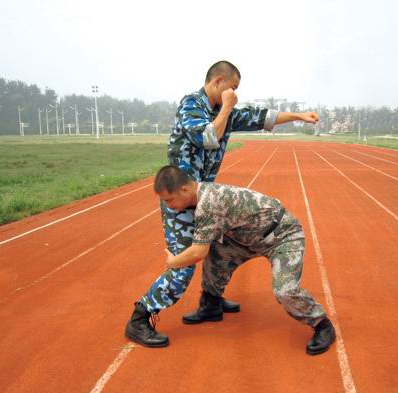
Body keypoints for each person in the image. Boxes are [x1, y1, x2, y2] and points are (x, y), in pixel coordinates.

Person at [125, 61, 320, 348]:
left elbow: (260, 116)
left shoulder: (221, 112)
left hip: (202, 198)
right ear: (218, 82)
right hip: (180, 202)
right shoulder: (191, 106)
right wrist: (227, 108)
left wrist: (299, 116)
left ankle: (211, 303)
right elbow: (208, 137)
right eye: (233, 88)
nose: (235, 94)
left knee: (219, 245)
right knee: (184, 266)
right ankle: (140, 318)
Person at [126, 166, 336, 355]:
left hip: (282, 237)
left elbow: (197, 252)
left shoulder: (208, 204)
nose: (169, 207)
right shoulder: (199, 194)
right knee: (217, 253)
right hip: (245, 238)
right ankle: (212, 304)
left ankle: (322, 324)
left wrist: (173, 262)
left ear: (184, 190)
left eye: (169, 200)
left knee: (285, 291)